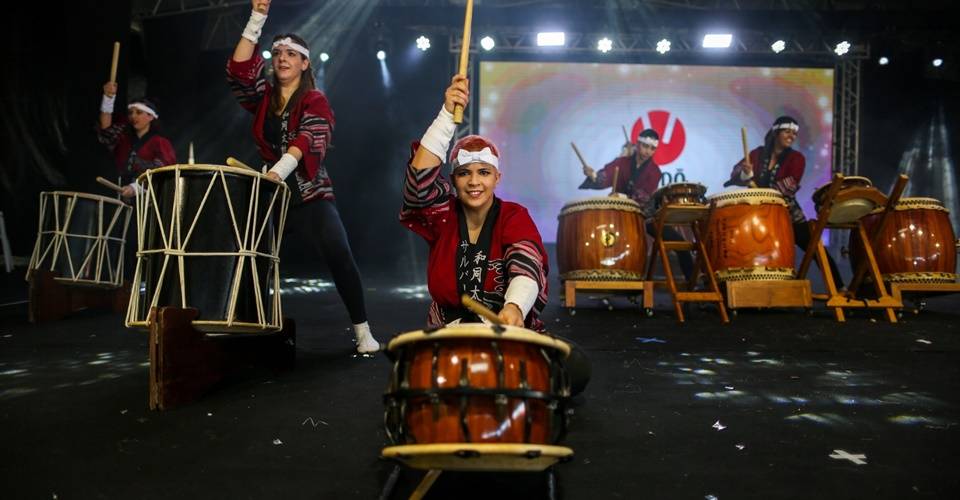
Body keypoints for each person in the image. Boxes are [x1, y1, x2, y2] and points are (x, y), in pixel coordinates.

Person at [226, 0, 379, 353]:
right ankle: (248, 326)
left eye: (291, 54)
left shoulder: (315, 99)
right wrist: (257, 18)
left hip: (308, 193)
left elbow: (309, 139)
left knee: (339, 254)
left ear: (304, 63)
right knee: (252, 257)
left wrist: (280, 170)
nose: (282, 58)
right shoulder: (262, 97)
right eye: (277, 52)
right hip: (269, 194)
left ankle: (362, 331)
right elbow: (237, 71)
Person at [401, 74, 549, 330]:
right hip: (448, 326)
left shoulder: (513, 215)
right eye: (464, 173)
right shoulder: (443, 214)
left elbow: (526, 261)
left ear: (497, 178)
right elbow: (418, 184)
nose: (474, 182)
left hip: (505, 325)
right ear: (453, 179)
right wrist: (447, 114)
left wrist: (514, 305)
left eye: (483, 173)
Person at [724, 115, 843, 286]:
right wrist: (745, 174)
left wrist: (761, 190)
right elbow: (735, 175)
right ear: (776, 133)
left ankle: (840, 287)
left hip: (787, 215)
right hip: (757, 217)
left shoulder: (797, 158)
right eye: (787, 131)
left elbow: (790, 184)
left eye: (794, 134)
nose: (792, 136)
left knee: (816, 250)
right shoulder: (756, 154)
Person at [579, 129, 695, 282]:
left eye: (652, 148)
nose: (648, 151)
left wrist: (622, 197)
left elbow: (644, 198)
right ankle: (598, 277)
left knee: (679, 242)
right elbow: (604, 177)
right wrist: (593, 175)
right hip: (619, 216)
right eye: (645, 146)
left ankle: (693, 282)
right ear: (638, 144)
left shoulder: (654, 171)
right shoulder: (621, 163)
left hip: (645, 217)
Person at [97, 82, 177, 199]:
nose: (133, 116)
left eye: (139, 112)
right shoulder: (124, 138)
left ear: (151, 116)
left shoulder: (160, 142)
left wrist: (136, 188)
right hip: (120, 194)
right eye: (131, 113)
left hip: (147, 199)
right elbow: (106, 132)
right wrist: (108, 99)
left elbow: (163, 171)